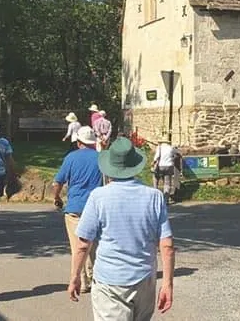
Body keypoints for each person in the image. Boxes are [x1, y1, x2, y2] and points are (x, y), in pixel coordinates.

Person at [68, 137, 175, 320]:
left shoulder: (98, 197)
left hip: (110, 281)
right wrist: (167, 284)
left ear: (110, 168)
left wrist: (75, 276)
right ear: (135, 166)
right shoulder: (155, 197)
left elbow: (83, 244)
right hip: (144, 280)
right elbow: (167, 246)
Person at [52, 127, 103, 294]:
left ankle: (82, 281)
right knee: (94, 245)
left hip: (75, 208)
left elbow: (57, 182)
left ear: (79, 142)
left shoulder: (71, 158)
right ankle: (97, 278)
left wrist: (57, 197)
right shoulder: (102, 158)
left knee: (77, 246)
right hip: (96, 208)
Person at [152, 135, 179, 200]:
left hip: (160, 166)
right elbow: (176, 154)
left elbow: (156, 157)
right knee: (167, 183)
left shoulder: (159, 147)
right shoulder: (171, 148)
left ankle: (156, 196)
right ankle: (166, 199)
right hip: (169, 166)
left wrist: (153, 163)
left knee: (155, 180)